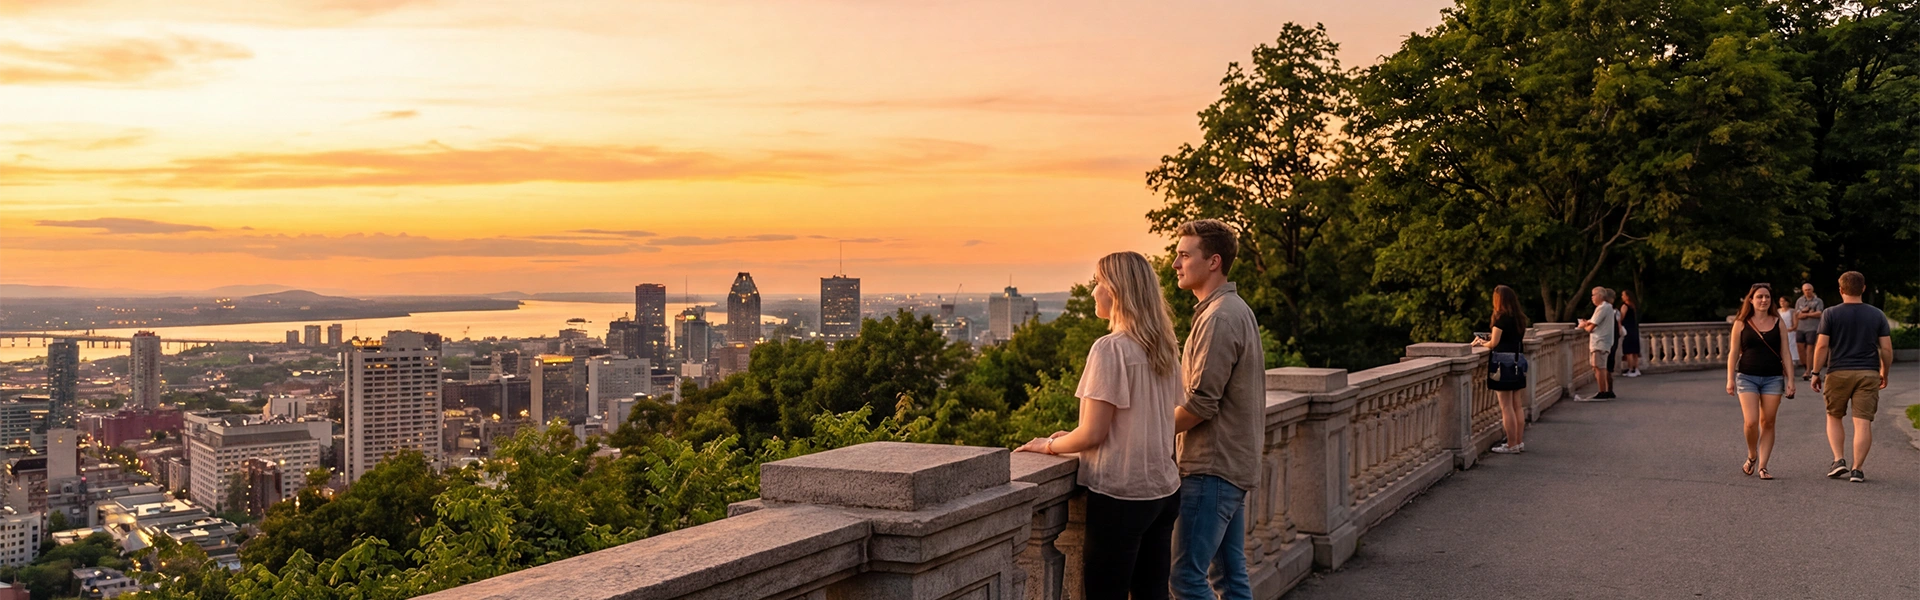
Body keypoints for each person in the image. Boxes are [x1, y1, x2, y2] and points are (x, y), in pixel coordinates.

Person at [1016, 251, 1183, 600]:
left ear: (1118, 291)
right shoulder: (1163, 348)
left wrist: (1047, 445)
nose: (1093, 292)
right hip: (1164, 489)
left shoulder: (1111, 349)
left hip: (1123, 493)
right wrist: (1070, 437)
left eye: (1098, 283)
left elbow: (1094, 433)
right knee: (1152, 593)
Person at [1167, 219, 1262, 600]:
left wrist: (1146, 430)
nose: (1175, 264)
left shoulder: (1220, 317)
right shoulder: (1232, 309)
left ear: (1213, 262)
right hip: (1229, 466)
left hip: (1211, 468)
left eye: (1184, 255)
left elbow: (1199, 404)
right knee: (1230, 577)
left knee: (1186, 579)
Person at [1808, 271, 1893, 483]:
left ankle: (1839, 460)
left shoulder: (1830, 314)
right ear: (1864, 288)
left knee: (1834, 416)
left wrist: (1815, 373)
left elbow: (1822, 346)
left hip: (1838, 371)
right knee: (1863, 422)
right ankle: (1857, 469)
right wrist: (1884, 372)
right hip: (1868, 372)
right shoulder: (1877, 315)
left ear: (1841, 290)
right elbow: (1886, 349)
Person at [1725, 284, 1794, 480]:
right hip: (1747, 376)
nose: (1764, 300)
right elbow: (1732, 353)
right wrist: (1730, 379)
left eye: (1767, 297)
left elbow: (1786, 353)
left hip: (1773, 378)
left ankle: (1763, 466)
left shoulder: (1778, 322)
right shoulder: (1741, 323)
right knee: (1751, 422)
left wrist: (1791, 380)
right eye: (1759, 297)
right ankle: (1752, 454)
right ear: (1751, 300)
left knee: (1768, 422)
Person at [1472, 285, 1530, 454]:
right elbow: (1509, 338)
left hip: (1502, 365)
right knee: (1517, 405)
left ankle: (1511, 444)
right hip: (1517, 362)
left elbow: (1494, 343)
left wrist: (1482, 342)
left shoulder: (1501, 319)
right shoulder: (1519, 318)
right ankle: (1518, 442)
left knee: (1506, 407)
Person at [1576, 287, 1619, 400]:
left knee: (1599, 366)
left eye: (1593, 295)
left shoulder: (1602, 308)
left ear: (1600, 295)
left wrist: (1583, 326)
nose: (1592, 298)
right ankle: (1604, 391)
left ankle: (1602, 392)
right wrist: (1587, 323)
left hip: (1600, 342)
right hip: (1603, 342)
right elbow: (1592, 321)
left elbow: (1591, 327)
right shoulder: (1607, 307)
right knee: (1600, 366)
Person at [1795, 283, 1825, 380]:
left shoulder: (1818, 301)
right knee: (1800, 348)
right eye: (1805, 290)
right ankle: (1807, 366)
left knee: (1810, 349)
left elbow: (1819, 313)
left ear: (1812, 290)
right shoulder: (1800, 301)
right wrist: (1809, 313)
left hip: (1812, 328)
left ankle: (1808, 371)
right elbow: (1798, 315)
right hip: (1801, 327)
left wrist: (1805, 313)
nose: (1807, 291)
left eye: (1809, 289)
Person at [1776, 295, 1800, 379]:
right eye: (1780, 301)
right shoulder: (1777, 311)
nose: (1782, 303)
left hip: (1790, 332)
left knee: (1791, 348)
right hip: (1780, 332)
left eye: (1784, 301)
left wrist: (1790, 329)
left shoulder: (1792, 311)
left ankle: (1791, 368)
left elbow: (1795, 324)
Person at [1619, 290, 1643, 377]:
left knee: (1629, 351)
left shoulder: (1625, 306)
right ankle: (1636, 368)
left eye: (1623, 295)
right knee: (1635, 351)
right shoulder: (1634, 306)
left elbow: (1621, 318)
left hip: (1628, 330)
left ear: (1627, 296)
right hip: (1634, 329)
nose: (1622, 296)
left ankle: (1631, 369)